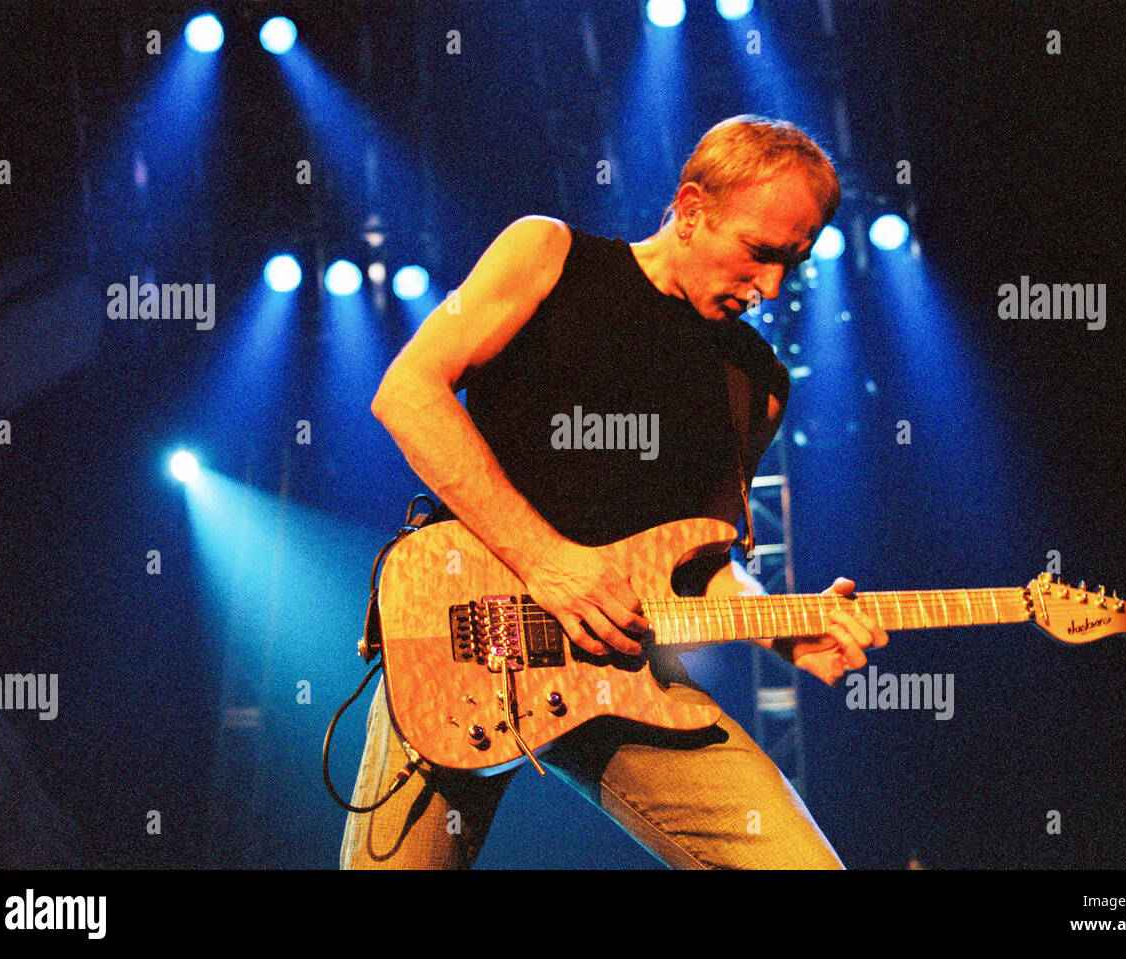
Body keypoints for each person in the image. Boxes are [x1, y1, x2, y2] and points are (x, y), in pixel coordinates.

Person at [341, 115, 888, 869]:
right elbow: (408, 392)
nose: (770, 288)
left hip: (625, 676)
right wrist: (548, 562)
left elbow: (702, 568)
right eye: (759, 254)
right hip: (462, 641)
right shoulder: (549, 255)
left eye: (792, 264)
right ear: (691, 208)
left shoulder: (755, 383)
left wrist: (785, 626)